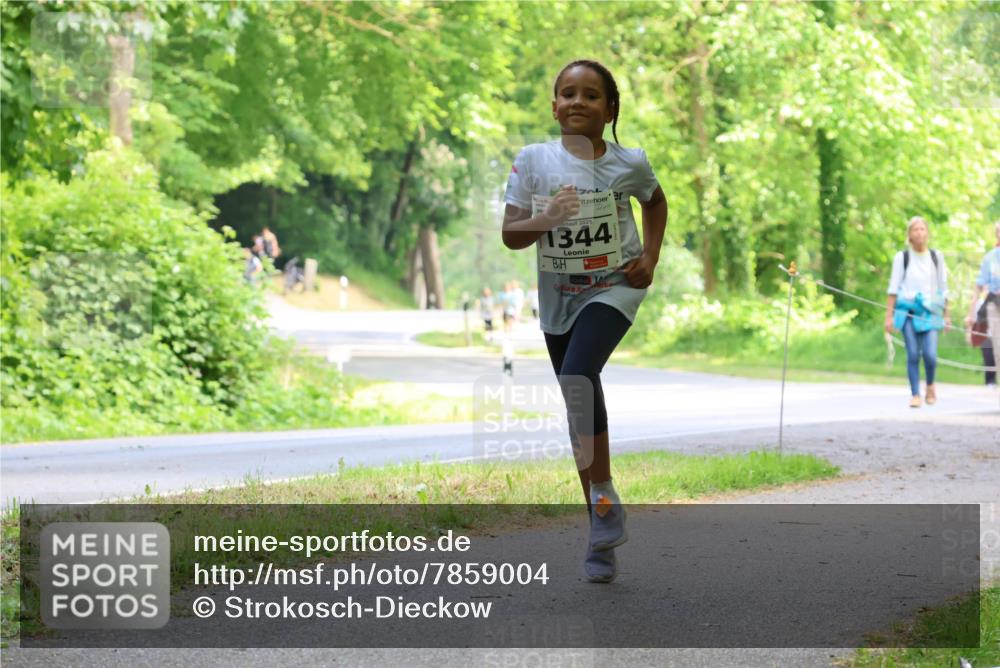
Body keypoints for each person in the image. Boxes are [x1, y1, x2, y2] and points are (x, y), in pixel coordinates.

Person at [501, 59, 667, 583]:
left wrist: (651, 256)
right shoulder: (532, 162)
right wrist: (545, 220)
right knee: (578, 402)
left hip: (615, 287)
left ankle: (603, 499)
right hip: (558, 301)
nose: (577, 102)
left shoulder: (629, 163)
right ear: (553, 106)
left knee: (577, 376)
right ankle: (601, 530)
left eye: (591, 95)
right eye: (567, 94)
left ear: (609, 109)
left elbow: (656, 201)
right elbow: (510, 233)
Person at [884, 216, 951, 408]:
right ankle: (915, 393)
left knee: (930, 354)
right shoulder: (902, 258)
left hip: (931, 311)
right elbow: (893, 289)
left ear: (927, 233)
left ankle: (930, 385)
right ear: (909, 235)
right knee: (913, 353)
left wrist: (947, 315)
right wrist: (888, 317)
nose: (919, 233)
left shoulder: (936, 257)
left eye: (922, 229)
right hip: (908, 311)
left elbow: (944, 287)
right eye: (915, 229)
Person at [965, 221, 1000, 388]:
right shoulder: (990, 257)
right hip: (995, 305)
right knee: (997, 346)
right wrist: (971, 312)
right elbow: (979, 285)